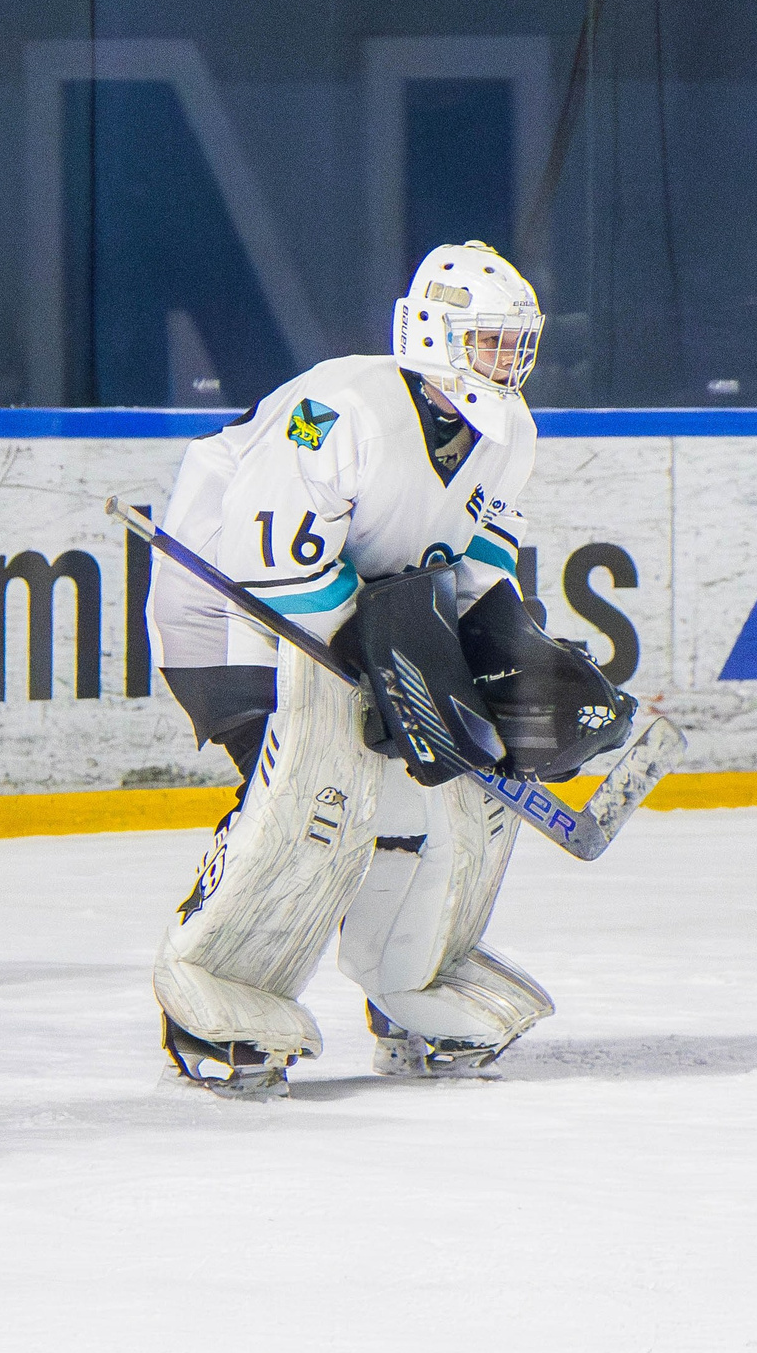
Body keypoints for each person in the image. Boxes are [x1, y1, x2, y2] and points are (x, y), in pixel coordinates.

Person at [143, 240, 628, 1097]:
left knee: (447, 789)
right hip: (228, 612)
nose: (509, 360)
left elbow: (478, 558)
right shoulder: (337, 412)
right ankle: (212, 983)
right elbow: (274, 573)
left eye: (518, 341)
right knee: (316, 792)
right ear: (436, 334)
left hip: (366, 612)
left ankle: (408, 984)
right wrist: (404, 676)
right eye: (489, 340)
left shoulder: (509, 428)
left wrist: (512, 658)